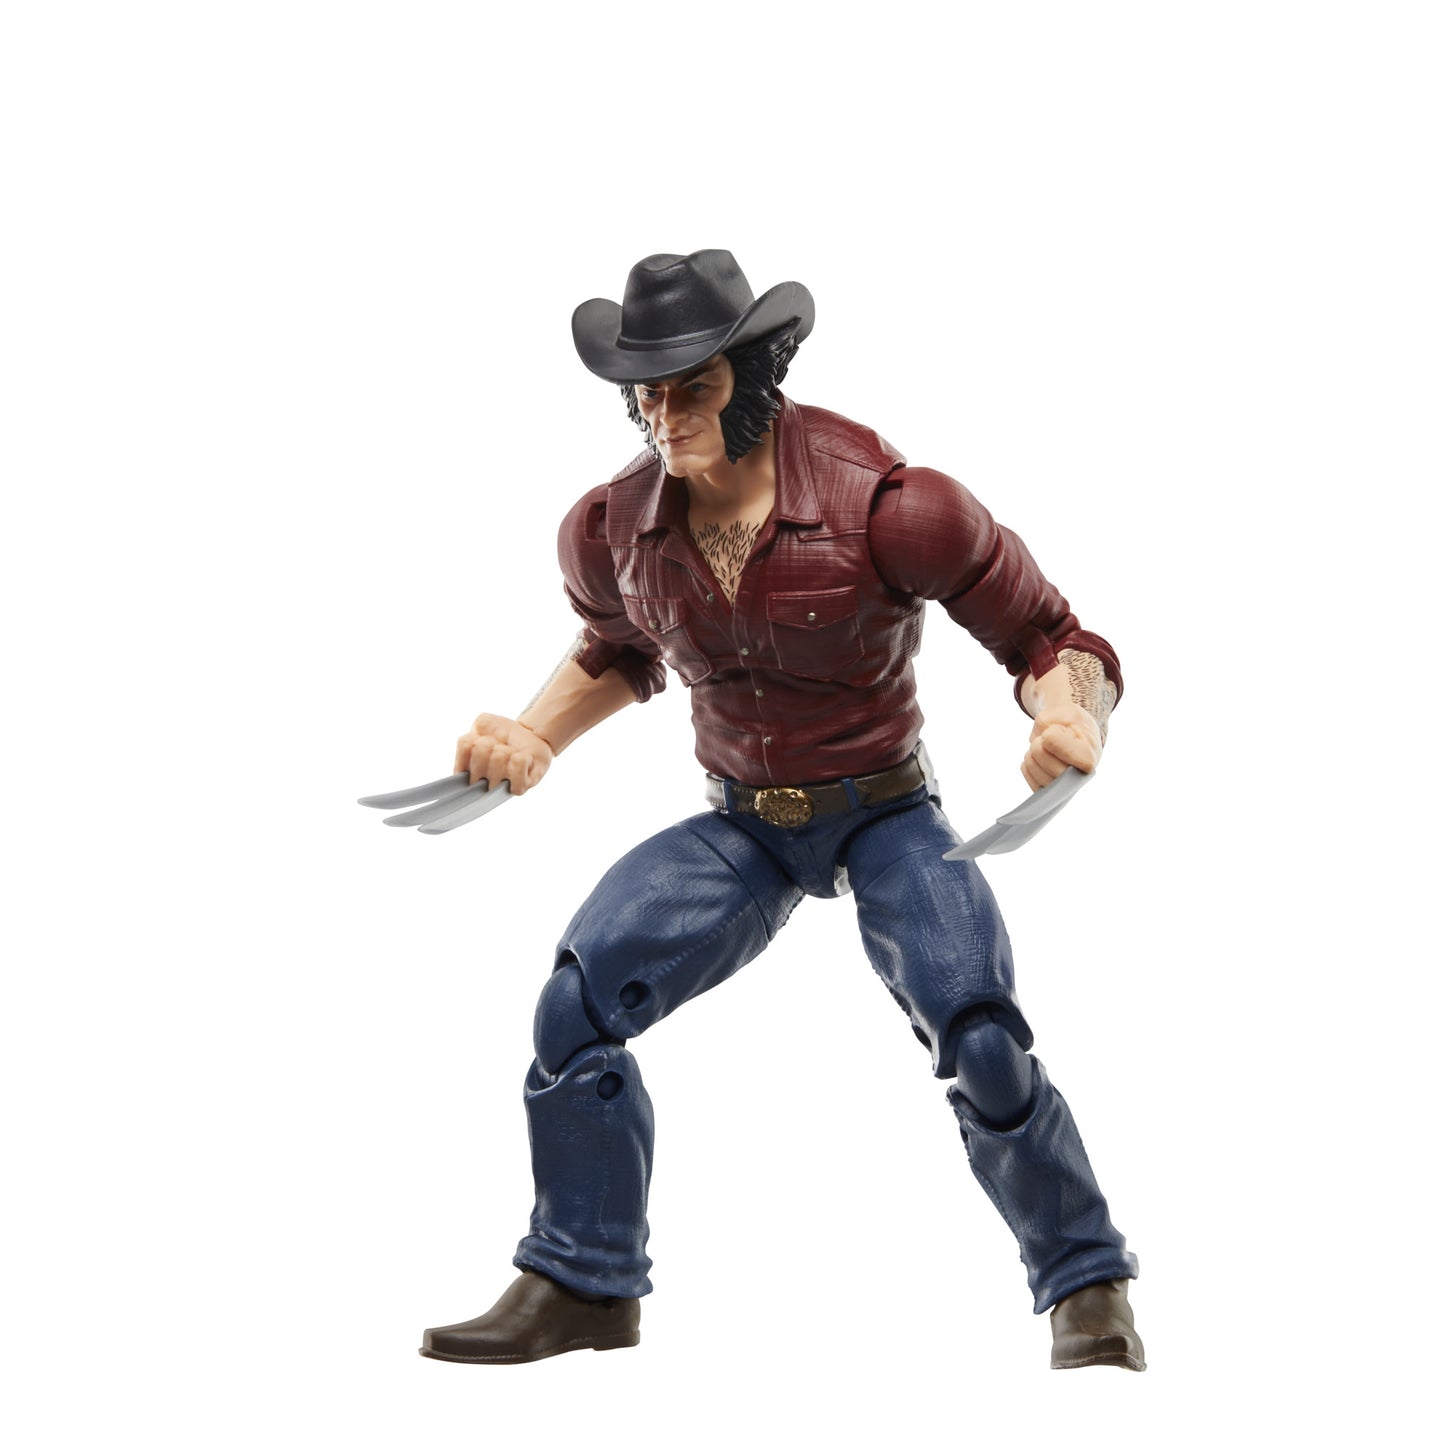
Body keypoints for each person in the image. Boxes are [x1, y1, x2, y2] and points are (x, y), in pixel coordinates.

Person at [418, 250, 1144, 1370]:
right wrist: (533, 732)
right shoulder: (612, 526)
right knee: (574, 1008)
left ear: (755, 377)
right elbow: (617, 649)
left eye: (693, 387)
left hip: (884, 812)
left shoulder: (893, 507)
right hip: (742, 827)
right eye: (646, 392)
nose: (664, 417)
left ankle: (1085, 1283)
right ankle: (582, 1281)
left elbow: (1052, 637)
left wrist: (1069, 713)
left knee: (982, 1038)